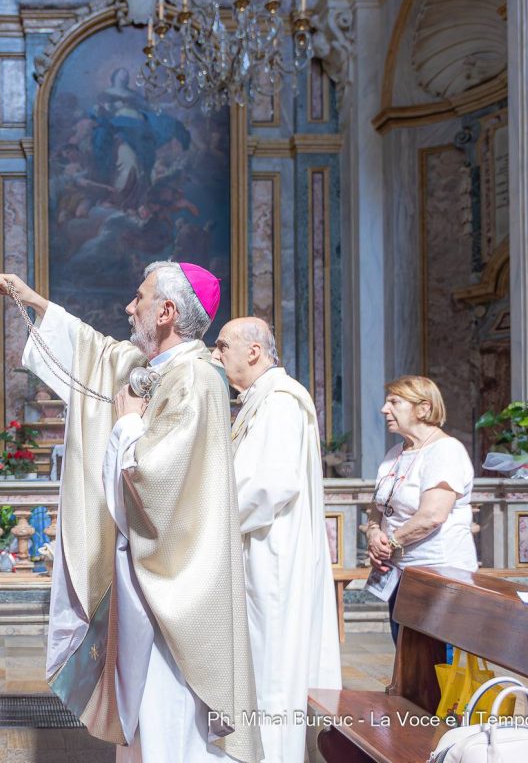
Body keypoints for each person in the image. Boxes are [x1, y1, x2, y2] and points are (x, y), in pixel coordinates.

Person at [0, 264, 261, 763]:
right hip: (144, 574)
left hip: (175, 581)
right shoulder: (158, 367)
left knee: (167, 711)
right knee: (142, 713)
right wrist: (34, 302)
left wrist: (129, 424)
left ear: (167, 311)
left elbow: (159, 482)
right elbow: (98, 351)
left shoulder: (195, 378)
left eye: (140, 298)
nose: (129, 307)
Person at [211, 317, 342, 763]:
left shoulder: (282, 401)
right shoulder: (262, 399)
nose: (215, 354)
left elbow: (268, 484)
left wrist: (207, 520)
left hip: (273, 562)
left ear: (253, 351)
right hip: (258, 551)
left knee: (272, 673)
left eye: (222, 345)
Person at [365, 375, 478, 641]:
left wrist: (390, 543)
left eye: (394, 402)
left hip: (437, 573)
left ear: (423, 408)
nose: (384, 409)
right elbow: (378, 504)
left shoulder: (445, 451)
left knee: (434, 656)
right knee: (407, 655)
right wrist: (373, 534)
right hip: (399, 571)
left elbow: (432, 516)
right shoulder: (395, 453)